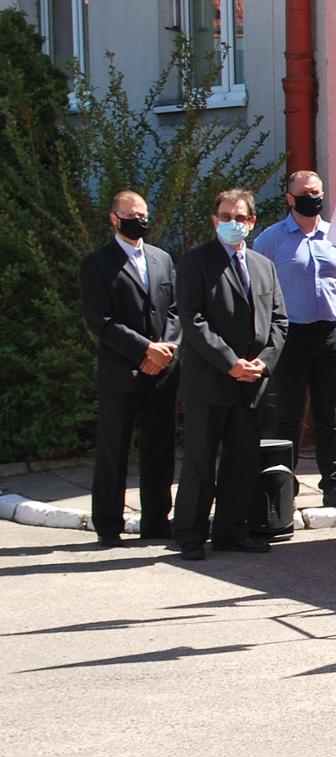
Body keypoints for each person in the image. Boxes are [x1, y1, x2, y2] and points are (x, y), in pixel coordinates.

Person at [173, 188, 287, 560]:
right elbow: (192, 319)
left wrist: (263, 362)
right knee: (200, 461)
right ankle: (190, 532)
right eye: (225, 216)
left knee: (242, 461)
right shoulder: (195, 262)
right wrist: (229, 362)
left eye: (239, 217)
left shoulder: (263, 265)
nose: (232, 223)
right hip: (210, 380)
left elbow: (280, 321)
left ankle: (230, 531)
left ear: (252, 223)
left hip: (252, 382)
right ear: (214, 220)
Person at [254, 170, 336, 510]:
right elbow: (260, 288)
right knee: (288, 412)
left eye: (317, 192)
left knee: (328, 413)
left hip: (328, 332)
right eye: (305, 193)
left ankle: (333, 483)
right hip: (290, 334)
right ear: (289, 198)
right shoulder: (271, 240)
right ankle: (283, 483)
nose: (312, 198)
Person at [81, 190, 180, 548]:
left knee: (159, 448)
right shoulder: (98, 263)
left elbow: (175, 312)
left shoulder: (162, 259)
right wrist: (144, 350)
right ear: (114, 218)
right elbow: (100, 320)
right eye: (130, 214)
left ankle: (157, 520)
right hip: (121, 372)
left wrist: (166, 349)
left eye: (143, 214)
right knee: (114, 448)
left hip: (162, 371)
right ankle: (108, 523)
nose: (138, 220)